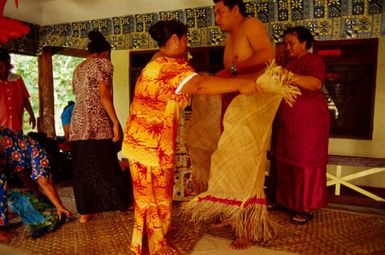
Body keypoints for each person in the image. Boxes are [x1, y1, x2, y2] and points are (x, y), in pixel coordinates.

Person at [122, 20, 261, 255]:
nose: (187, 46)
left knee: (159, 193)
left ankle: (159, 232)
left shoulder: (157, 61)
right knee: (150, 196)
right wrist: (240, 84)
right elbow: (199, 85)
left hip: (146, 142)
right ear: (174, 39)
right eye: (185, 40)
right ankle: (155, 246)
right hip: (149, 145)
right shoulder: (168, 68)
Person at [270, 26, 329, 224]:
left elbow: (315, 84)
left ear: (304, 43)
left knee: (303, 161)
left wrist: (289, 76)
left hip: (308, 124)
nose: (287, 47)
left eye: (291, 43)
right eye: (285, 43)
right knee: (283, 160)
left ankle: (304, 207)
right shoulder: (287, 63)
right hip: (286, 122)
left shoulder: (313, 60)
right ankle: (283, 200)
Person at [69, 30, 130, 224]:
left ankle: (85, 212)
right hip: (96, 122)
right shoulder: (103, 63)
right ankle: (121, 203)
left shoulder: (78, 68)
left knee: (83, 168)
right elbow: (104, 95)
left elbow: (79, 95)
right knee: (107, 165)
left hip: (78, 123)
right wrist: (114, 122)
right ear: (105, 52)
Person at [0, 127, 71, 243]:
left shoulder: (19, 150)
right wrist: (59, 206)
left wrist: (37, 193)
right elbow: (44, 182)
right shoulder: (37, 152)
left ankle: (2, 224)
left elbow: (23, 175)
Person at [213, 0, 274, 131]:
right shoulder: (229, 38)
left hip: (250, 104)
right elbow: (229, 72)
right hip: (231, 104)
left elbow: (268, 55)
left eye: (220, 13)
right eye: (215, 14)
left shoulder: (251, 25)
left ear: (235, 10)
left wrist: (233, 69)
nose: (216, 19)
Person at [0, 49, 36, 133]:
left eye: (6, 67)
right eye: (1, 67)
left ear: (9, 65)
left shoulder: (17, 79)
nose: (4, 70)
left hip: (16, 125)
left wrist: (31, 114)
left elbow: (25, 98)